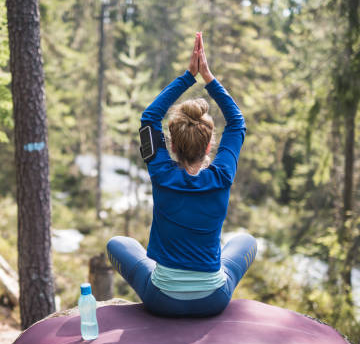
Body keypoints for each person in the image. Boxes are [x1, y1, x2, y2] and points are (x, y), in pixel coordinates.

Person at [106, 32, 257, 317]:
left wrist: (188, 76)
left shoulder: (161, 173)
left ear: (171, 145)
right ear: (210, 144)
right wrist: (207, 77)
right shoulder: (222, 175)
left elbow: (149, 118)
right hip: (214, 300)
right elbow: (237, 123)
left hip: (161, 300)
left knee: (117, 244)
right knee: (246, 242)